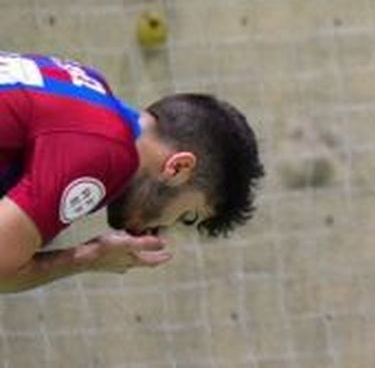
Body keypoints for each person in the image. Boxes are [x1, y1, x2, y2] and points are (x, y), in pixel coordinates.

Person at [0, 51, 264, 293]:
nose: (161, 230)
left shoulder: (85, 82)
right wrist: (89, 257)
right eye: (186, 215)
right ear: (178, 167)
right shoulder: (107, 152)